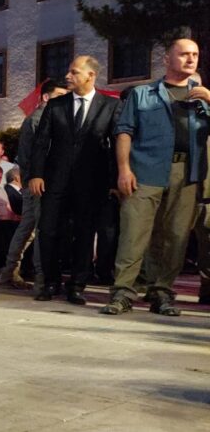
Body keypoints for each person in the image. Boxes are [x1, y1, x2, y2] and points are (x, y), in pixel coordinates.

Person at [103, 39, 209, 316]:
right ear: (167, 59)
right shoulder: (142, 94)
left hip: (187, 175)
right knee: (134, 234)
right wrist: (124, 170)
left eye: (195, 55)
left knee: (175, 237)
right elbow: (124, 132)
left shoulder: (202, 97)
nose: (191, 59)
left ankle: (161, 293)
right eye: (184, 54)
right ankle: (123, 293)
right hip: (144, 172)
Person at [31, 56, 122, 304]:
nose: (68, 76)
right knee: (48, 230)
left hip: (92, 183)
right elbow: (41, 143)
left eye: (74, 72)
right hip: (54, 181)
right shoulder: (56, 105)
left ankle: (77, 285)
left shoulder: (110, 106)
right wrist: (36, 173)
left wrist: (115, 181)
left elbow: (116, 146)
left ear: (91, 76)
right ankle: (51, 282)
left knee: (84, 233)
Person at [0, 80, 69, 288]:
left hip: (33, 182)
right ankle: (40, 276)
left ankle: (9, 271)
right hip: (38, 183)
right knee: (39, 228)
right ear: (46, 97)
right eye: (59, 96)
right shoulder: (39, 120)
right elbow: (37, 155)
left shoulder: (37, 119)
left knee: (28, 228)